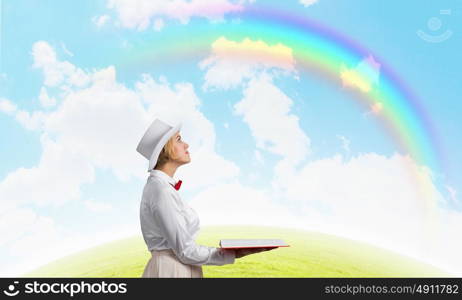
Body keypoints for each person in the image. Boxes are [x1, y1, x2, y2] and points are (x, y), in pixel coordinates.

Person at [136, 118, 272, 278]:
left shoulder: (160, 187)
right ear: (165, 150)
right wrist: (232, 253)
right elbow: (186, 251)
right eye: (179, 140)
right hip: (172, 271)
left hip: (175, 268)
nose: (186, 145)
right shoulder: (161, 190)